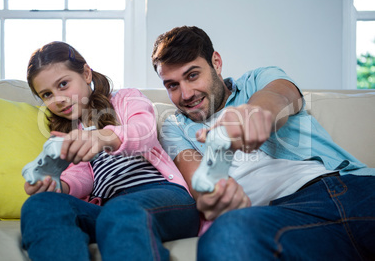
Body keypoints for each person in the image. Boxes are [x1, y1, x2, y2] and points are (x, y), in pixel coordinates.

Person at [151, 26, 375, 260]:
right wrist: (217, 196)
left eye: (192, 75)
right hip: (281, 218)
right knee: (226, 236)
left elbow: (279, 97)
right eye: (172, 85)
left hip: (352, 187)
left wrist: (254, 114)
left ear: (216, 62)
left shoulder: (258, 79)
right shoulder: (174, 127)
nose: (185, 94)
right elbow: (202, 182)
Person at [20, 41, 200, 261]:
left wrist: (102, 137)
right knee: (40, 205)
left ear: (86, 73)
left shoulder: (125, 99)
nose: (58, 99)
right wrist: (57, 186)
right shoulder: (69, 133)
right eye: (47, 94)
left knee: (121, 210)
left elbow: (144, 132)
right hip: (109, 210)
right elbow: (81, 177)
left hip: (165, 196)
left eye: (63, 84)